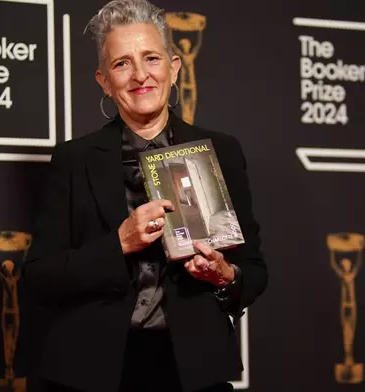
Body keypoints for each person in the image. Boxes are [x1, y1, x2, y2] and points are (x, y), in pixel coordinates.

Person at [21, 1, 268, 391]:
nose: (140, 75)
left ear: (174, 67)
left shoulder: (221, 150)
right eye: (122, 64)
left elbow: (252, 271)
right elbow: (38, 277)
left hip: (191, 370)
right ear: (104, 81)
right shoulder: (75, 159)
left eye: (151, 58)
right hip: (93, 370)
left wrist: (223, 275)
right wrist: (119, 243)